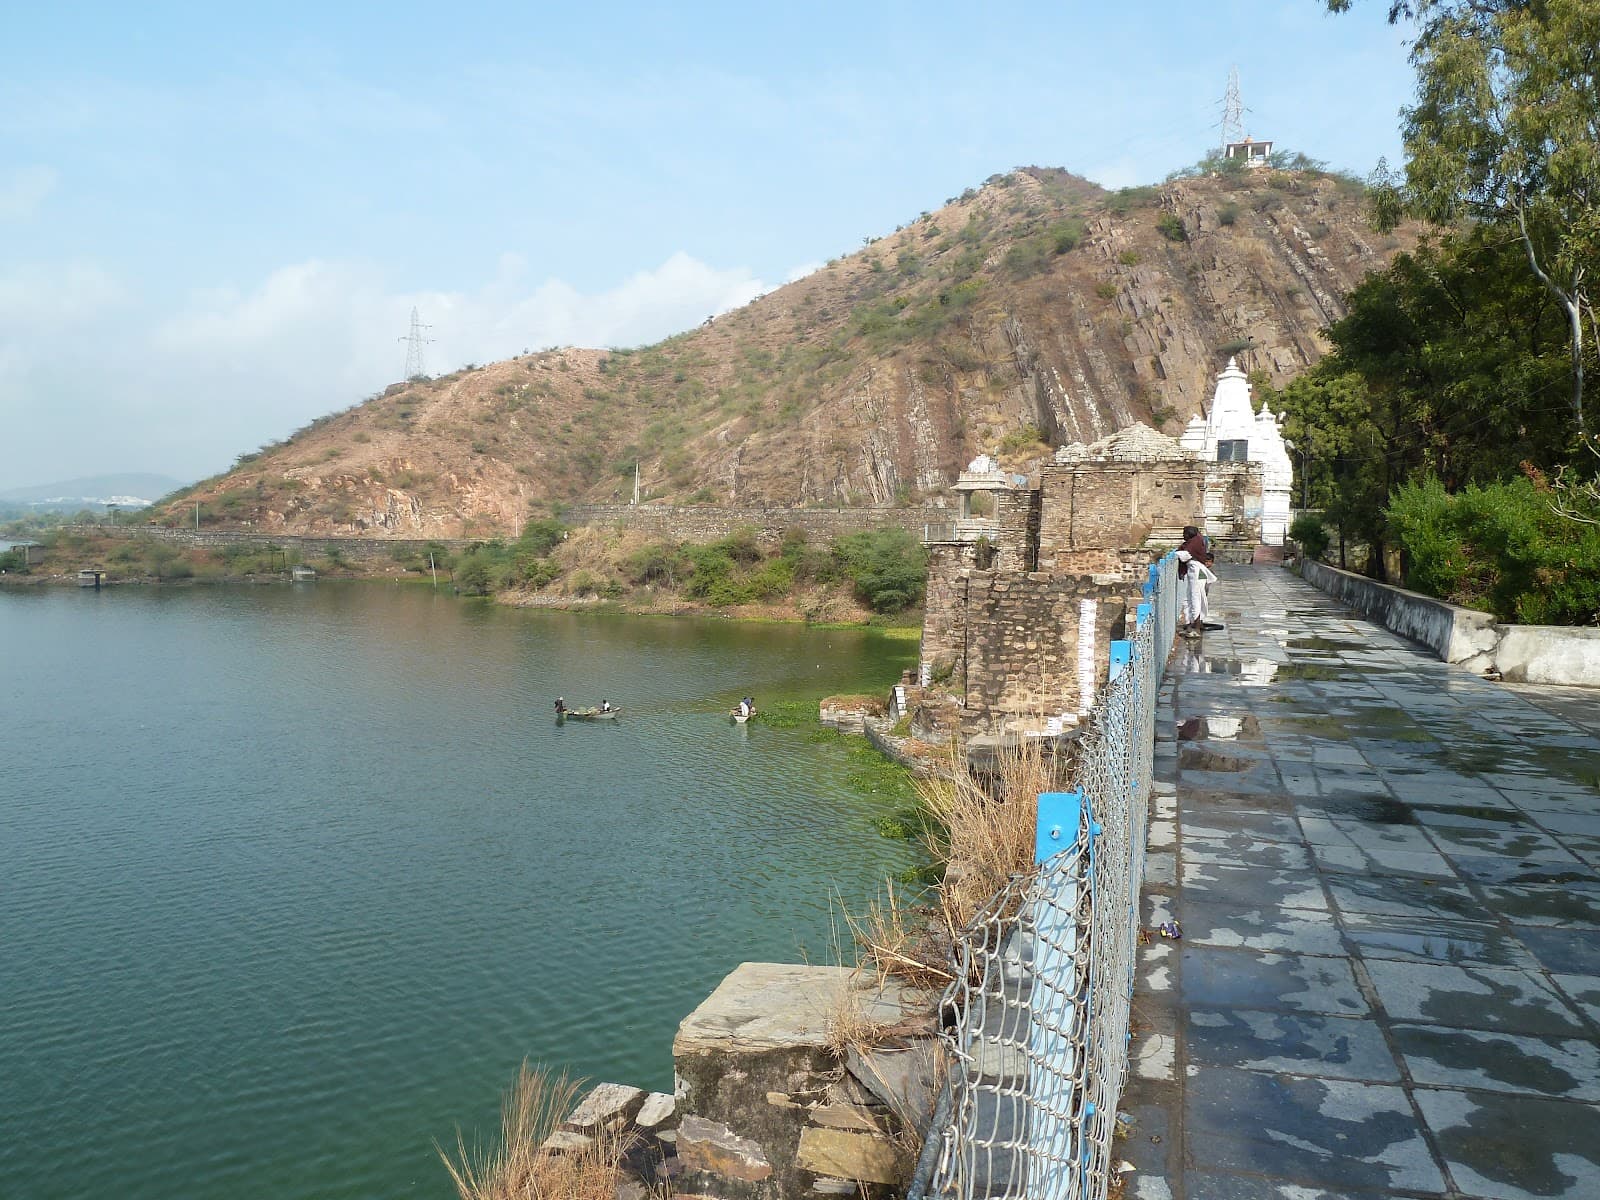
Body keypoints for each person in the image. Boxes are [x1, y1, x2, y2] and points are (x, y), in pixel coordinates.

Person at [1176, 525, 1222, 636]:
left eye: (1184, 533)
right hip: (1195, 572)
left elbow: (1185, 555)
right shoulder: (1196, 540)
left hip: (1196, 571)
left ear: (1189, 534)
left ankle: (1196, 627)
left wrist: (1175, 554)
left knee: (1195, 597)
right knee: (1191, 598)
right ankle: (1192, 623)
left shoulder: (1195, 542)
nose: (1183, 535)